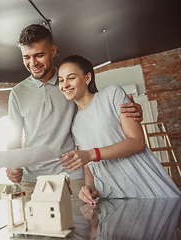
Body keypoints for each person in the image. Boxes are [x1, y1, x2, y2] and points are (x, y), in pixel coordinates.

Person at [6, 24, 143, 202]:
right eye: (27, 57)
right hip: (32, 180)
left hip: (73, 175)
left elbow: (97, 111)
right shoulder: (17, 93)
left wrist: (130, 111)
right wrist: (12, 165)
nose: (33, 63)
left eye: (39, 55)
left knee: (79, 228)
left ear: (53, 50)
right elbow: (13, 140)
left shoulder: (72, 85)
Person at [58, 54, 181, 204]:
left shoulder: (112, 95)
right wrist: (89, 186)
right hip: (115, 198)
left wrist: (92, 153)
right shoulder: (74, 124)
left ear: (87, 78)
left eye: (71, 78)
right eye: (61, 80)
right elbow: (88, 165)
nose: (65, 84)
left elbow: (137, 142)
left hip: (147, 188)